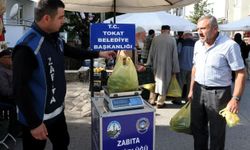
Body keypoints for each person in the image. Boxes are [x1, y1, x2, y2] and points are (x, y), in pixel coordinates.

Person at [12, 0, 115, 149]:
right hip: (37, 118)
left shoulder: (55, 39)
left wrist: (100, 53)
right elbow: (19, 89)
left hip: (57, 113)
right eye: (60, 17)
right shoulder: (27, 47)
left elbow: (75, 52)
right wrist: (34, 124)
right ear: (47, 18)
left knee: (62, 144)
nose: (64, 21)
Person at [188, 15, 246, 150]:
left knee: (217, 133)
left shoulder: (229, 45)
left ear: (215, 29)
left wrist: (235, 99)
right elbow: (195, 67)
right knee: (198, 130)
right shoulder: (198, 44)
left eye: (203, 28)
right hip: (198, 90)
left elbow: (241, 73)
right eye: (198, 29)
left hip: (219, 93)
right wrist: (191, 89)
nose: (199, 32)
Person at [146, 25, 179, 108]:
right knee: (164, 83)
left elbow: (151, 52)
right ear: (169, 30)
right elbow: (175, 55)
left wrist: (149, 63)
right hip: (167, 65)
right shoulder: (172, 40)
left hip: (156, 64)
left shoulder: (155, 39)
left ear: (161, 30)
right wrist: (175, 68)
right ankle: (160, 102)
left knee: (155, 82)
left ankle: (151, 100)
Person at [177, 32, 195, 102]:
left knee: (180, 83)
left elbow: (178, 52)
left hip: (182, 66)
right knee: (190, 84)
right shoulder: (195, 44)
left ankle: (178, 99)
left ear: (185, 36)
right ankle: (188, 99)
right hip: (192, 68)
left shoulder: (181, 43)